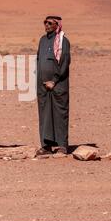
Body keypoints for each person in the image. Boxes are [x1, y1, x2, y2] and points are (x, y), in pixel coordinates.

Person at [36, 15, 71, 156]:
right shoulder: (42, 40)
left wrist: (54, 80)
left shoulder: (63, 42)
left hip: (58, 85)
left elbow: (64, 62)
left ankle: (62, 145)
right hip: (42, 85)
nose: (47, 25)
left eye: (50, 23)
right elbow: (39, 59)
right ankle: (46, 145)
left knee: (60, 114)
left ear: (57, 25)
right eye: (45, 22)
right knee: (44, 115)